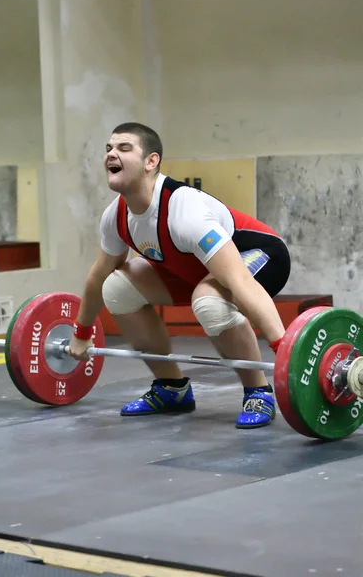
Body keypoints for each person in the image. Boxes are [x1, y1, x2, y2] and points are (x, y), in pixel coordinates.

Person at [69, 122, 290, 429]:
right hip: (197, 271)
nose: (111, 154)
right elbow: (97, 276)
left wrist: (284, 349)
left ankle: (258, 390)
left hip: (261, 255)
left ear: (151, 161)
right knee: (117, 287)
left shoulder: (183, 210)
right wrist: (80, 334)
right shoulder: (116, 216)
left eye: (123, 148)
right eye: (108, 148)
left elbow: (239, 280)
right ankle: (172, 388)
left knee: (208, 301)